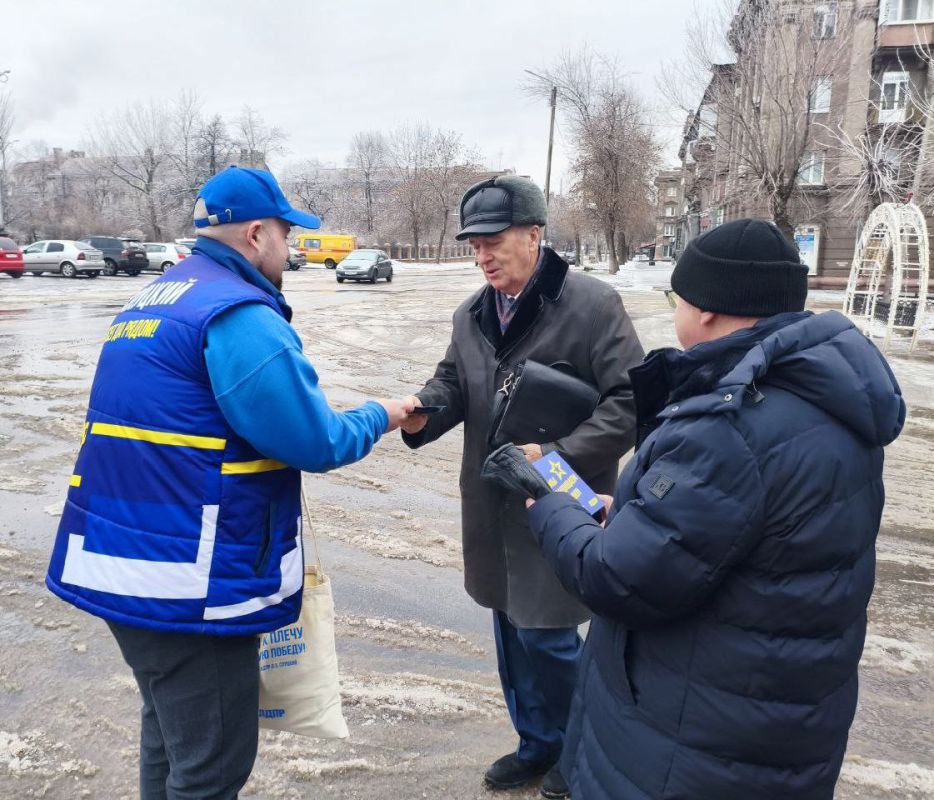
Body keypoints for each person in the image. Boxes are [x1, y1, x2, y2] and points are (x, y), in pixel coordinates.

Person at [490, 218, 905, 799]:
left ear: (706, 309)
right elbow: (735, 534)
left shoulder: (731, 426)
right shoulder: (828, 399)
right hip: (776, 717)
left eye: (676, 298)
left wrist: (550, 504)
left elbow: (616, 577)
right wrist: (629, 510)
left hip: (694, 738)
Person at [45, 165, 414, 800]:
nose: (291, 247)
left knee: (171, 737)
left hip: (119, 562)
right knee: (212, 766)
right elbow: (315, 440)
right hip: (188, 585)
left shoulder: (152, 299)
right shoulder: (239, 316)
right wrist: (385, 412)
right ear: (254, 235)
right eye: (285, 233)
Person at [400, 175, 644, 798]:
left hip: (559, 503)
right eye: (474, 245)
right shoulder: (471, 314)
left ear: (534, 236)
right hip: (490, 501)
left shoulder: (592, 305)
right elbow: (452, 383)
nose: (481, 256)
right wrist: (424, 407)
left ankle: (578, 751)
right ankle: (536, 743)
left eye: (493, 241)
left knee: (552, 636)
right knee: (511, 627)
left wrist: (556, 454)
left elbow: (629, 402)